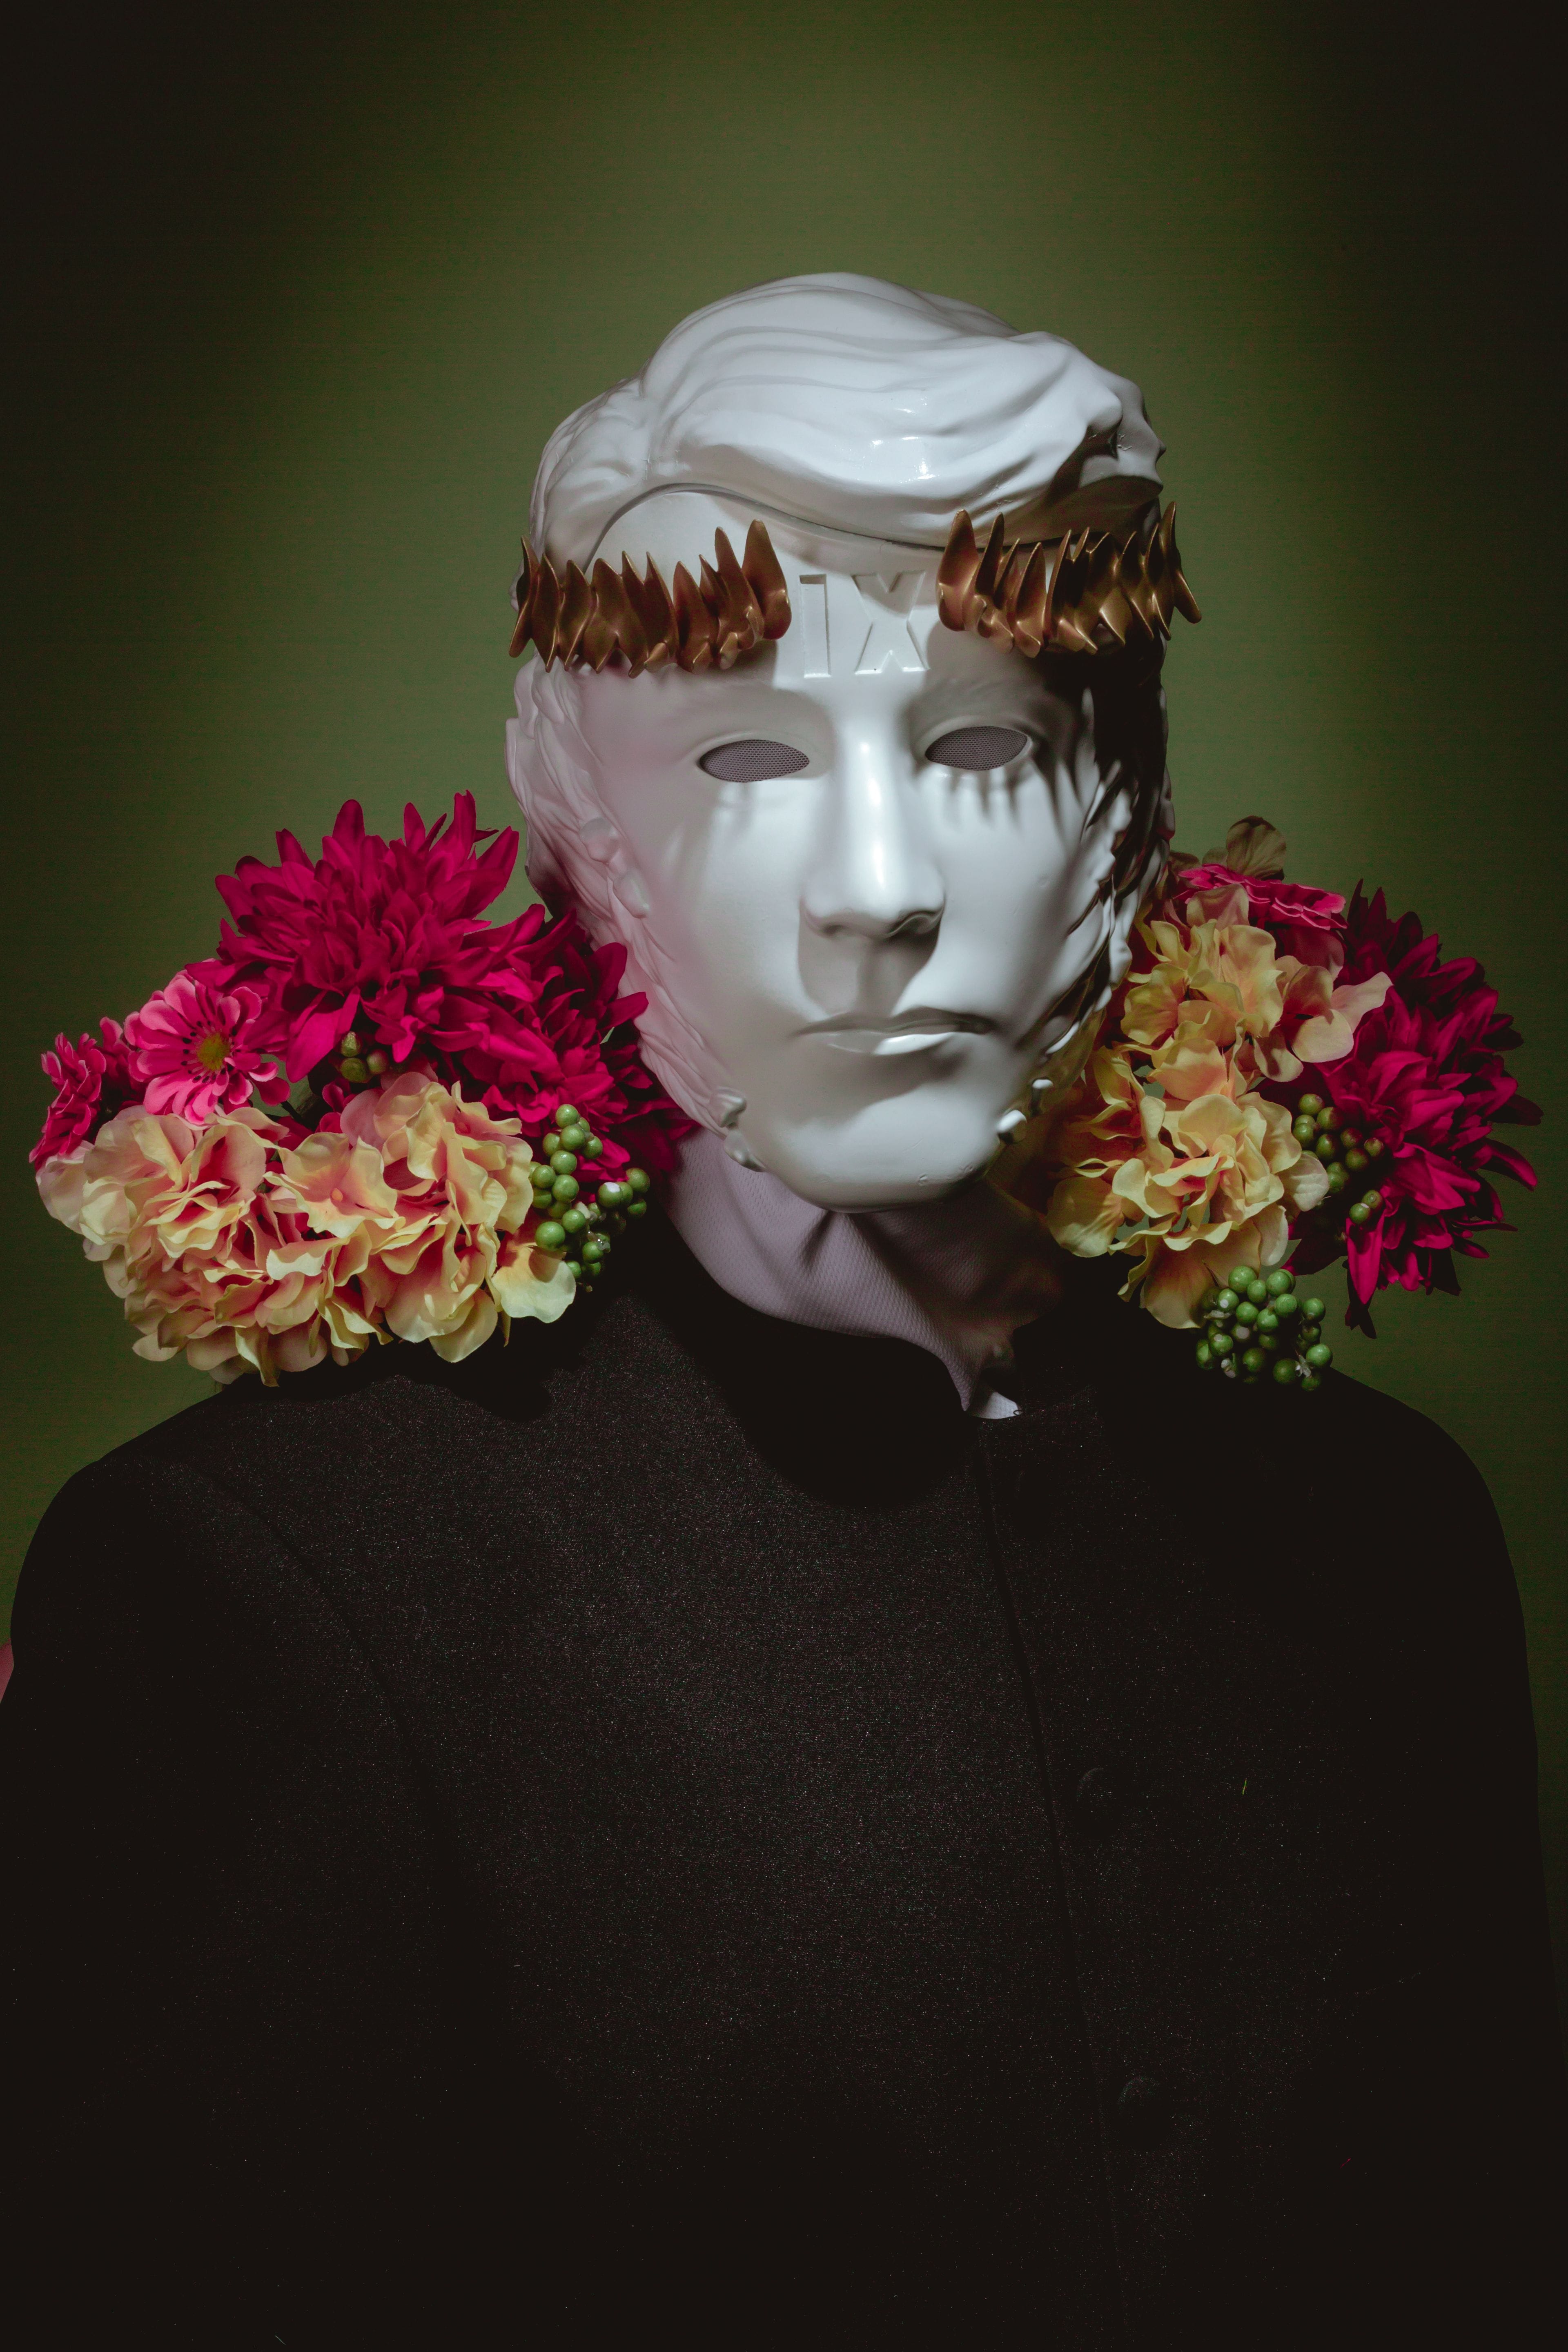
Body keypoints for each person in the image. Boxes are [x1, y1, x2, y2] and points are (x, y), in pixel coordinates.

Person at [3, 275, 1560, 2344]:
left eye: (987, 740)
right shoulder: (268, 1588)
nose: (874, 884)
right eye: (746, 751)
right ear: (580, 832)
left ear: (1129, 806)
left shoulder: (1387, 1534)